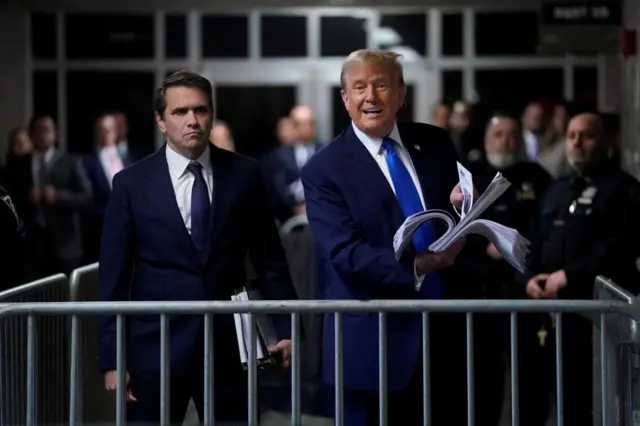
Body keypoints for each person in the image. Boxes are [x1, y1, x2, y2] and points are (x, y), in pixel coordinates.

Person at [98, 70, 298, 424]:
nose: (192, 120)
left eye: (201, 110)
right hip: (154, 348)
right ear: (161, 120)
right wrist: (113, 358)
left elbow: (270, 259)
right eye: (180, 112)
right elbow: (113, 277)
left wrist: (286, 328)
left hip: (229, 346)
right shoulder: (130, 183)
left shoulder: (245, 174)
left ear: (212, 114)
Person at [300, 49, 470, 426]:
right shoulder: (323, 169)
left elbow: (451, 220)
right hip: (371, 344)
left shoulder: (436, 143)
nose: (370, 97)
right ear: (345, 99)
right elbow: (344, 254)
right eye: (358, 87)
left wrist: (463, 206)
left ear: (400, 94)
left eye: (380, 85)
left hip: (445, 335)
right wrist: (419, 265)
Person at [521, 112, 640, 425]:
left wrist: (570, 275)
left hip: (598, 317)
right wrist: (529, 277)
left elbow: (620, 245)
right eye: (572, 135)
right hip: (552, 314)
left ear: (604, 141)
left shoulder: (623, 190)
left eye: (586, 135)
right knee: (555, 397)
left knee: (599, 401)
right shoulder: (556, 190)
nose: (577, 143)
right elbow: (533, 240)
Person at [467, 113, 553, 426]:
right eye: (499, 134)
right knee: (483, 384)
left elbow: (548, 228)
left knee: (531, 380)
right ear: (487, 138)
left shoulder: (537, 177)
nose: (507, 141)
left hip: (525, 294)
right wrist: (485, 248)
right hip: (480, 296)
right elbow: (454, 231)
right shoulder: (469, 176)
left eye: (513, 134)